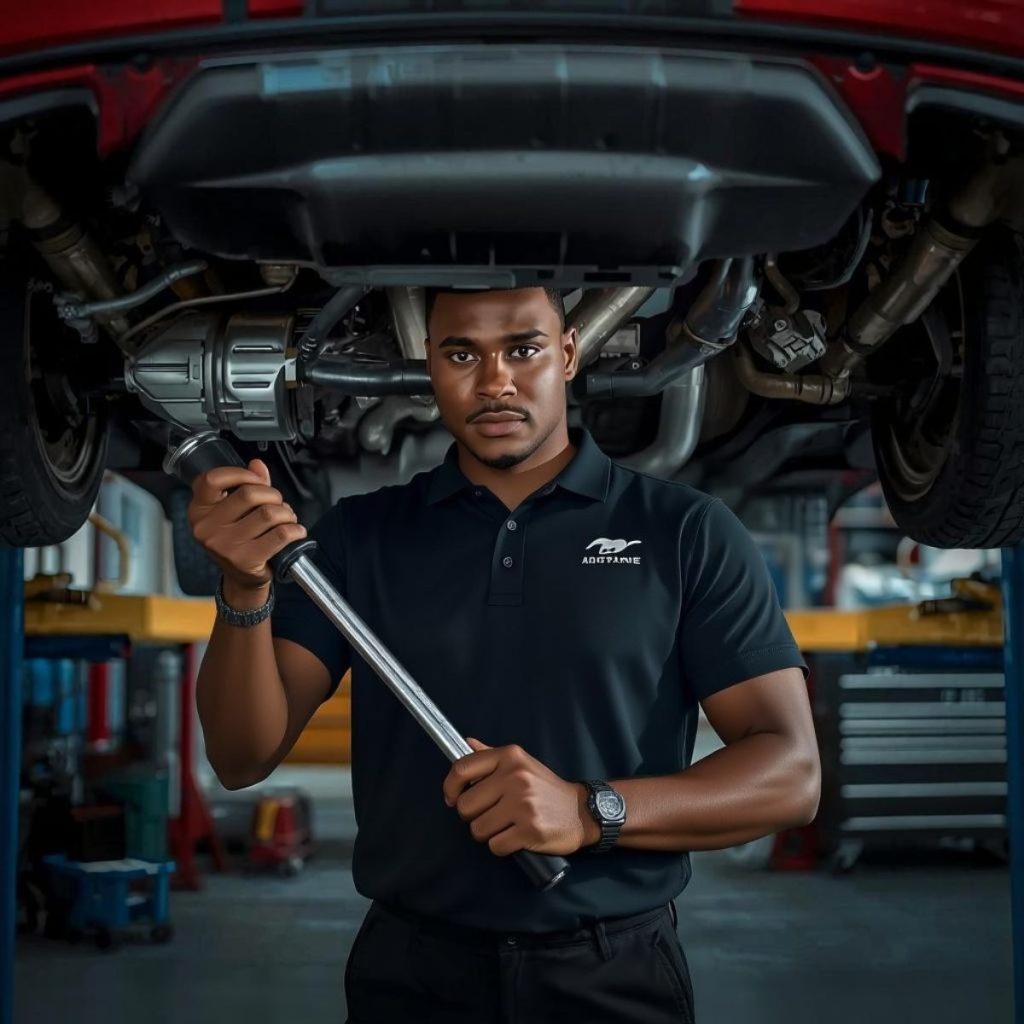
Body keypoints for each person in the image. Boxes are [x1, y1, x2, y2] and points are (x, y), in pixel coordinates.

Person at [188, 285, 821, 1024]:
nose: (495, 381)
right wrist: (243, 587)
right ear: (429, 366)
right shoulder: (362, 538)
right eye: (462, 354)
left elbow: (790, 774)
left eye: (522, 349)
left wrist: (590, 812)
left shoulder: (685, 532)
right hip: (411, 974)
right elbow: (240, 755)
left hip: (612, 973)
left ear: (569, 354)